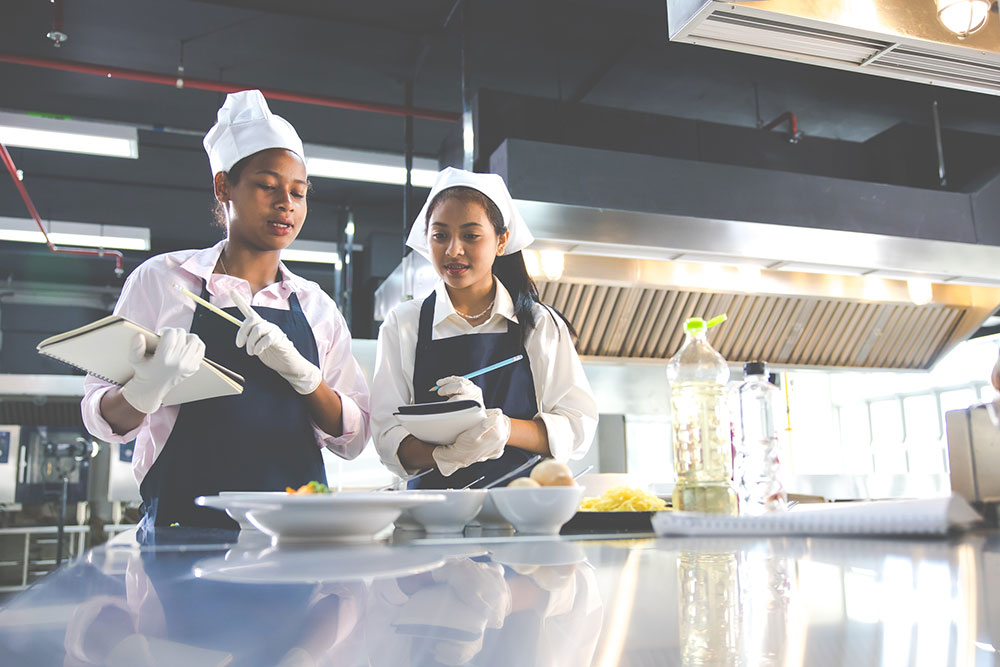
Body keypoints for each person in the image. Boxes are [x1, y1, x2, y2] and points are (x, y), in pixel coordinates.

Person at [81, 90, 370, 528]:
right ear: (223, 186)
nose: (285, 203)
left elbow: (354, 437)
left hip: (294, 536)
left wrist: (306, 379)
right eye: (267, 186)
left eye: (298, 191)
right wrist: (145, 388)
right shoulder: (162, 280)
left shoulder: (316, 307)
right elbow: (100, 416)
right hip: (180, 529)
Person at [371, 167, 597, 489]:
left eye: (470, 235)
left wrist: (503, 428)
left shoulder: (540, 324)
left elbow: (577, 425)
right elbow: (386, 436)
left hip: (521, 512)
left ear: (501, 241)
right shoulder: (404, 324)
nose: (453, 250)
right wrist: (446, 455)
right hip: (432, 520)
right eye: (440, 235)